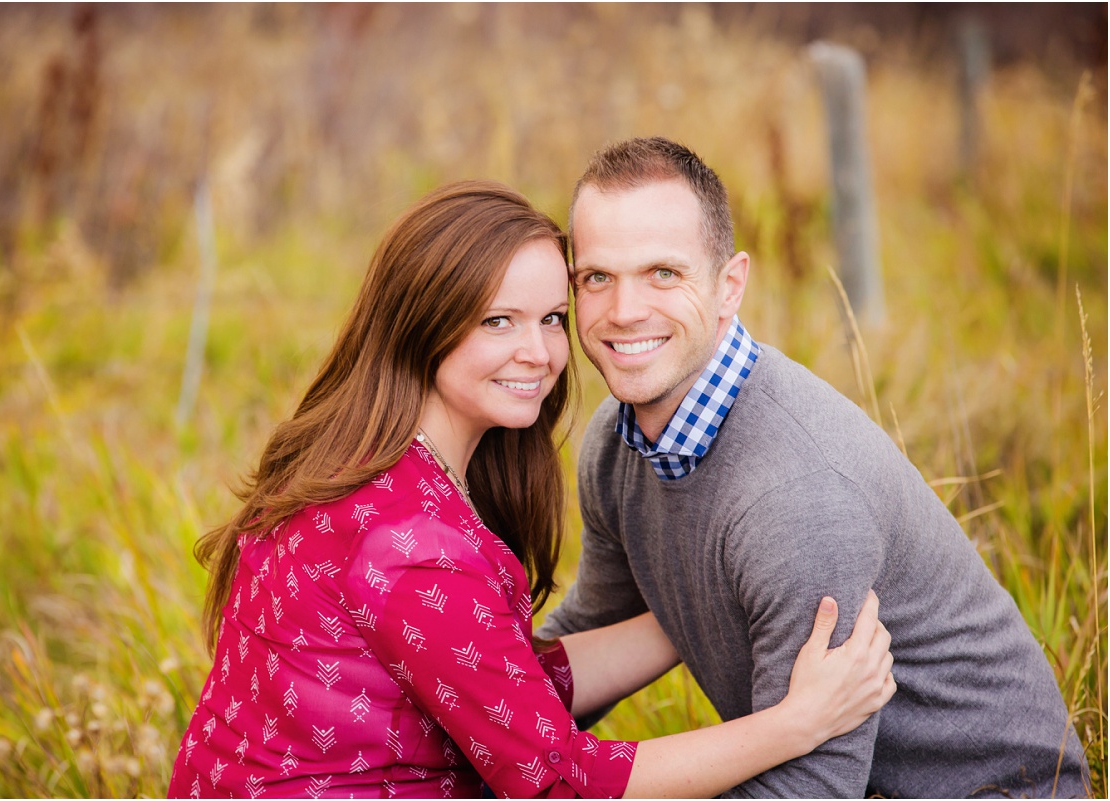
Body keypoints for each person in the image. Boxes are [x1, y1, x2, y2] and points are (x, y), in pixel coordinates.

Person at [167, 180, 896, 799]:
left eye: (551, 318)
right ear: (423, 324)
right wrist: (796, 723)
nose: (540, 353)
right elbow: (562, 779)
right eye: (497, 322)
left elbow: (510, 686)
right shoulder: (410, 544)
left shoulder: (359, 465)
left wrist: (703, 600)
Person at [538, 137, 1092, 798]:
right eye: (598, 277)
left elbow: (812, 786)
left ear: (729, 285)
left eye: (663, 273)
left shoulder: (796, 495)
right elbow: (592, 636)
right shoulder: (615, 445)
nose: (624, 311)